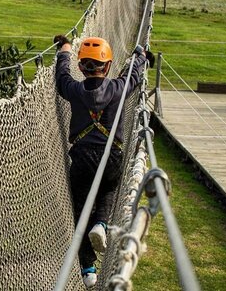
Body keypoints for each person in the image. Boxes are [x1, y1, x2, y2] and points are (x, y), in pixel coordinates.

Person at [53, 35, 153, 288]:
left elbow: (61, 78)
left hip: (82, 157)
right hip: (112, 156)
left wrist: (65, 49)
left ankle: (88, 268)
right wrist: (141, 57)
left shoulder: (74, 90)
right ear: (107, 66)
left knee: (80, 209)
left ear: (81, 67)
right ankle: (101, 223)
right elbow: (132, 76)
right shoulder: (118, 88)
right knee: (108, 189)